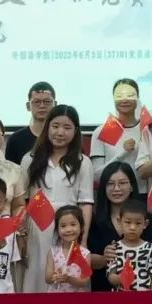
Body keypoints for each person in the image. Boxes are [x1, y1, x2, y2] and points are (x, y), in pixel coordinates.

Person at [21, 105, 94, 293]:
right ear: (47, 127)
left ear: (75, 131)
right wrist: (23, 237)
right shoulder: (30, 159)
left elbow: (85, 202)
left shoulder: (83, 162)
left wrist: (83, 239)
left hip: (69, 228)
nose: (60, 132)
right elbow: (22, 200)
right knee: (38, 274)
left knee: (70, 277)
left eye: (67, 127)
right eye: (55, 126)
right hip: (38, 227)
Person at [88, 162, 152, 292]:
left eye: (122, 183)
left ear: (132, 186)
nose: (116, 188)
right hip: (103, 292)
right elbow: (85, 259)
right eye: (110, 184)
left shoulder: (147, 218)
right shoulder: (94, 221)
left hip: (143, 294)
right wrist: (105, 259)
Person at [88, 79, 152, 180]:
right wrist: (123, 153)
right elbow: (95, 176)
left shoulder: (148, 129)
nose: (124, 100)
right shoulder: (102, 132)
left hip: (144, 189)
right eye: (119, 96)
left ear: (137, 98)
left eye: (130, 95)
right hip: (114, 189)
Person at [106, 197, 152, 291]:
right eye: (128, 222)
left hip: (145, 298)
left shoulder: (150, 248)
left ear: (145, 224)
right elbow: (110, 276)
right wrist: (121, 278)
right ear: (119, 222)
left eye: (138, 223)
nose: (132, 227)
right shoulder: (115, 248)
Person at [6, 82, 56, 164]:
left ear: (55, 104)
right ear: (28, 106)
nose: (42, 106)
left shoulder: (61, 137)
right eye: (36, 102)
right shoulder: (15, 140)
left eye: (47, 101)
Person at [45, 205, 91, 293]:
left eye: (73, 224)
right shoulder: (52, 252)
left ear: (81, 227)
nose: (68, 229)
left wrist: (69, 279)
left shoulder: (85, 254)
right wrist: (55, 277)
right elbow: (47, 278)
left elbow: (85, 281)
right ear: (57, 229)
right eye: (63, 226)